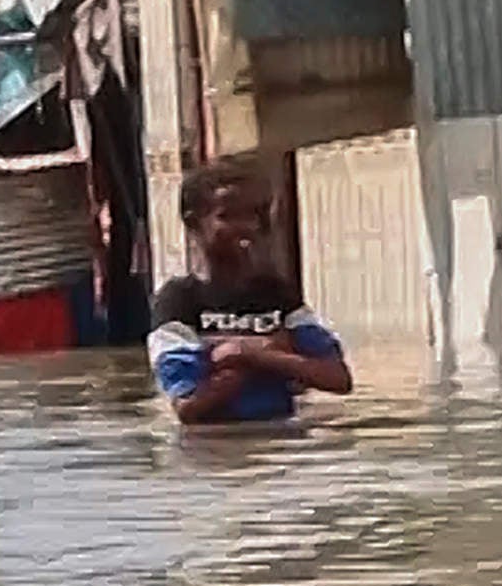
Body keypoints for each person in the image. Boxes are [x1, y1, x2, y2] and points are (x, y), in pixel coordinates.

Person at [149, 163, 353, 426]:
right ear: (193, 222)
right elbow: (189, 406)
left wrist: (249, 354)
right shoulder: (179, 301)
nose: (246, 226)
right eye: (228, 216)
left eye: (253, 215)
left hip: (281, 445)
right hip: (215, 450)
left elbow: (338, 379)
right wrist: (278, 353)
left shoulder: (277, 295)